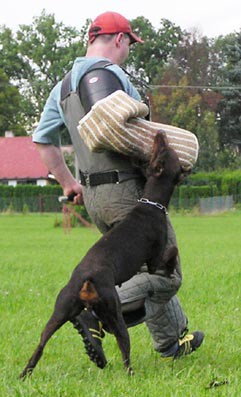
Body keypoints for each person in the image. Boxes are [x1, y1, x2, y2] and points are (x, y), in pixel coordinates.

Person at [32, 11, 204, 367]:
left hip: (95, 198)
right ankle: (92, 310)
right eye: (130, 44)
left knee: (146, 266)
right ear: (120, 39)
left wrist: (69, 184)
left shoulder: (63, 86)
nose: (128, 52)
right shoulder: (109, 75)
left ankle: (173, 340)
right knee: (165, 272)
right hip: (127, 192)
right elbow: (119, 129)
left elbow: (43, 141)